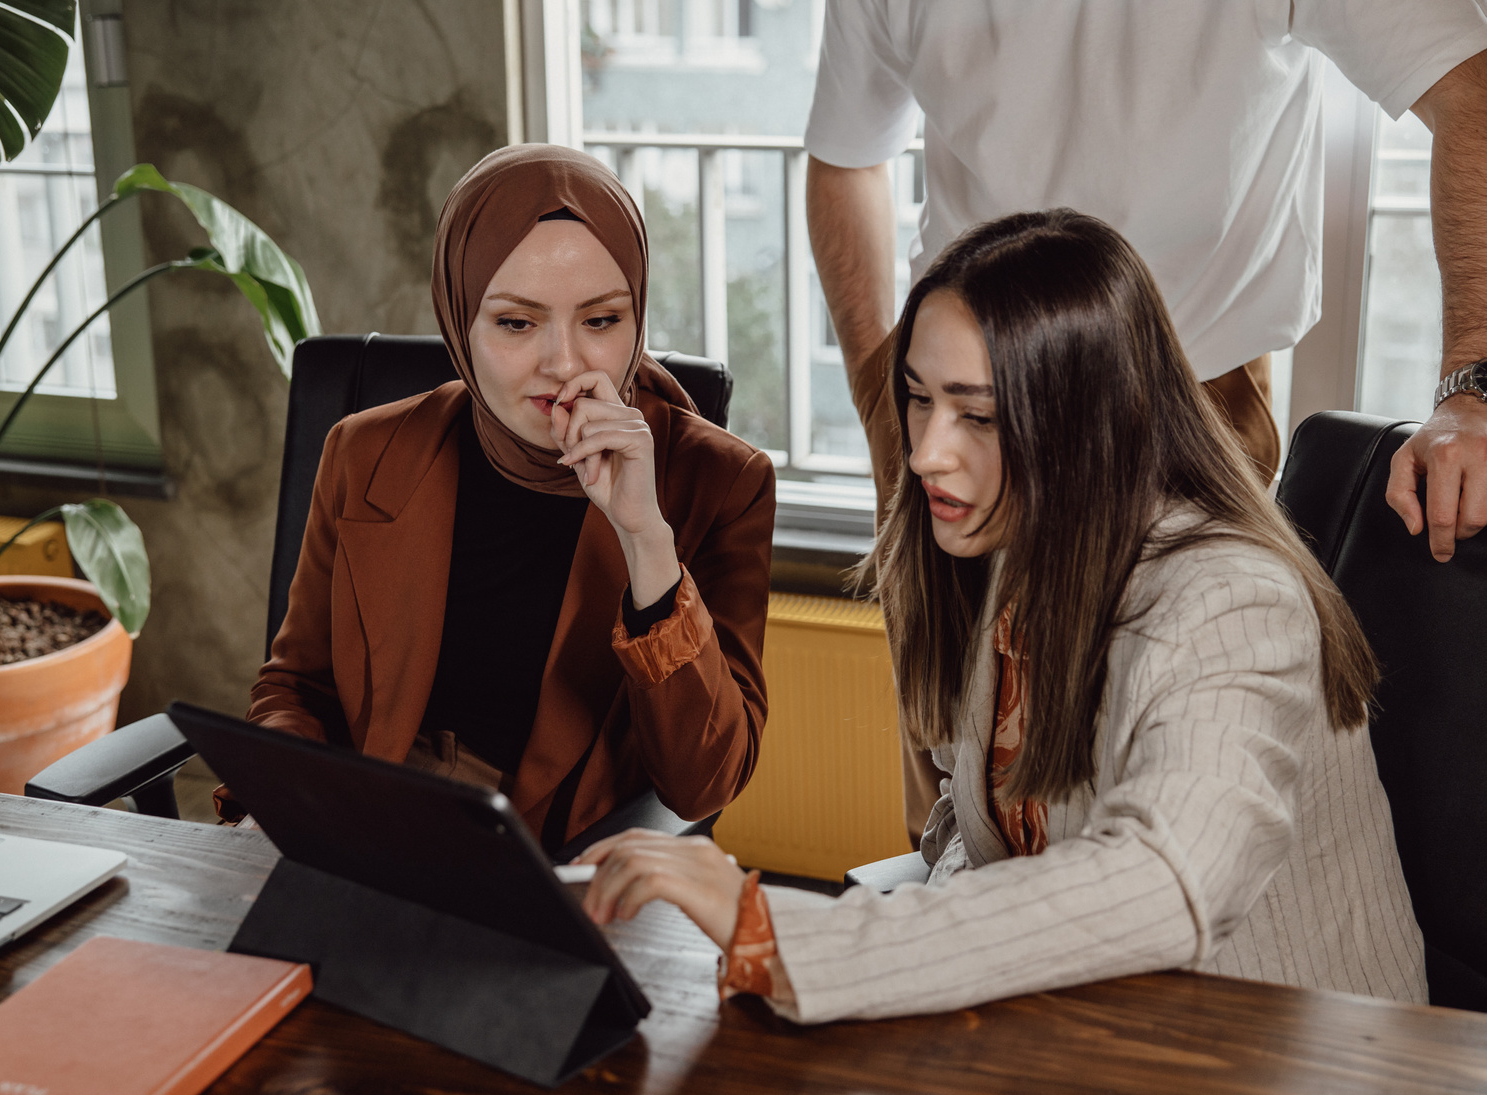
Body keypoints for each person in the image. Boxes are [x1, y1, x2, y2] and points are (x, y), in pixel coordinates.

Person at [575, 210, 1425, 1021]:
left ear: (1088, 419)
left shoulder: (1233, 599)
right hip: (1091, 1025)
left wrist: (783, 929)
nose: (925, 452)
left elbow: (1167, 880)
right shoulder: (1015, 545)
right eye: (919, 398)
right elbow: (980, 829)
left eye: (977, 414)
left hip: (1287, 1055)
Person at [805, 1, 1487, 846]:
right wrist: (888, 401)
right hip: (970, 393)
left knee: (1142, 803)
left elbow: (1471, 90)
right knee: (960, 802)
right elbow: (844, 160)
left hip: (1188, 394)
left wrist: (1472, 381)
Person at [243, 144, 776, 850]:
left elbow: (703, 781)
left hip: (559, 868)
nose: (563, 364)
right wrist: (287, 795)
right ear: (461, 318)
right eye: (517, 324)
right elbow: (296, 689)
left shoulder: (720, 482)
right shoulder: (363, 452)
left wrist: (647, 539)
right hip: (369, 829)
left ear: (638, 317)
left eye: (602, 320)